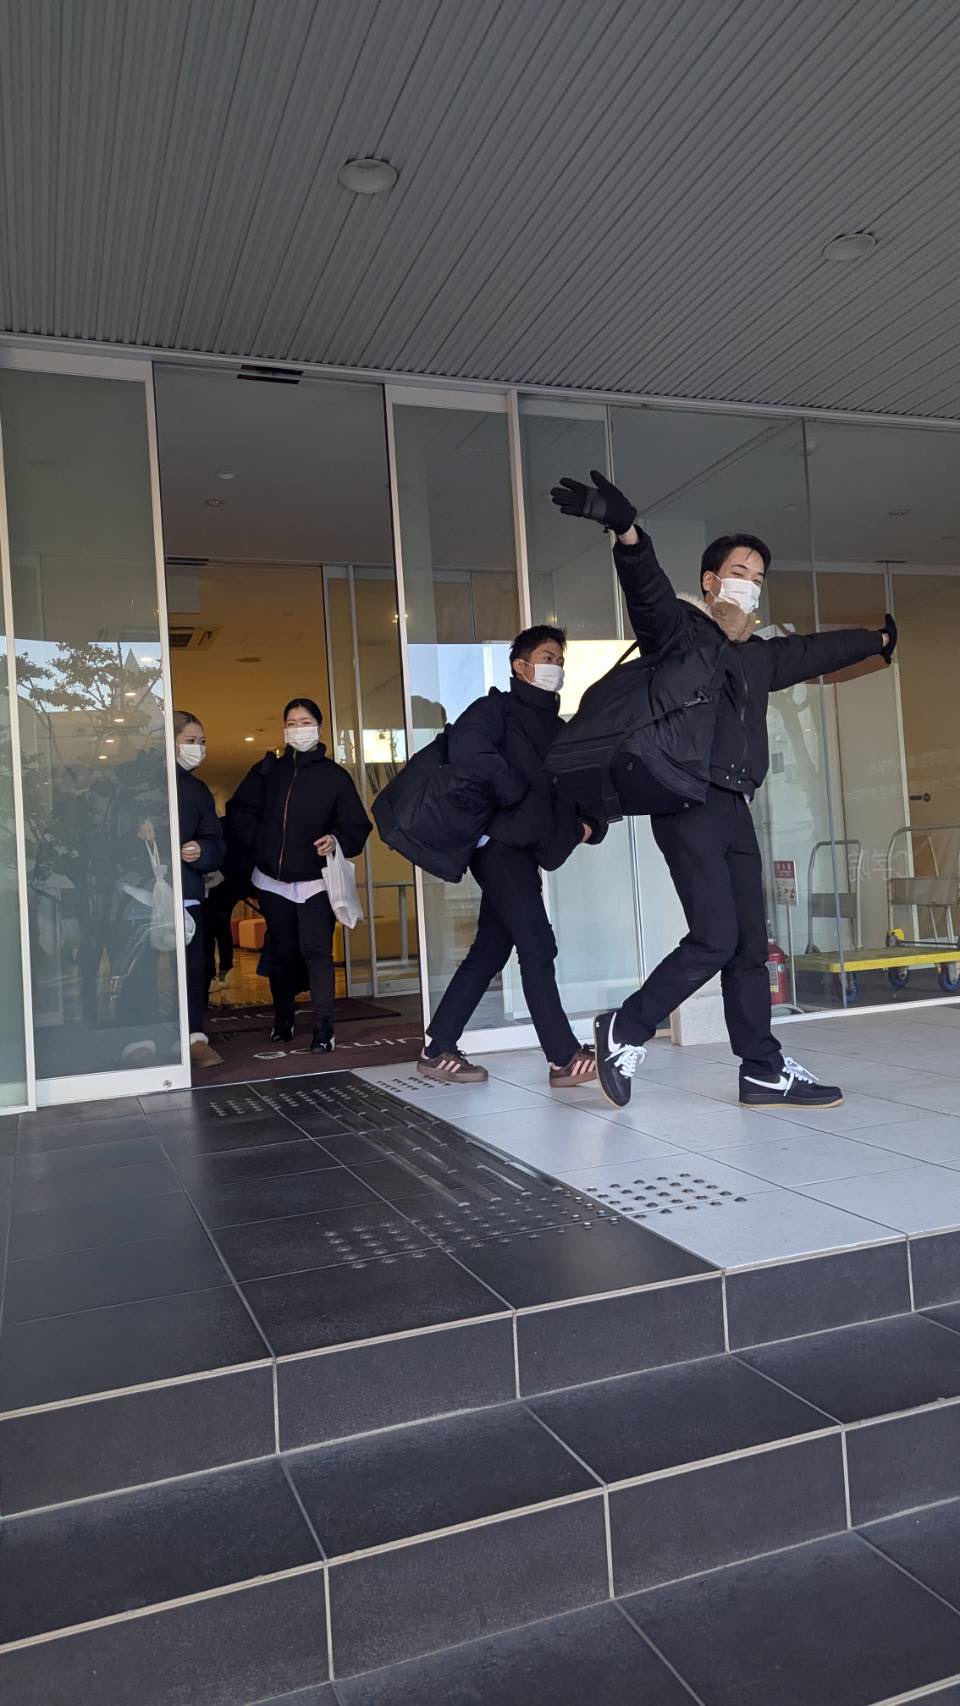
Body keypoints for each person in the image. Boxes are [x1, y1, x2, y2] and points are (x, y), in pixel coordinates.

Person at [551, 470, 897, 1111]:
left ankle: (762, 1070)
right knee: (714, 938)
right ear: (710, 581)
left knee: (747, 949)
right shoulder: (679, 633)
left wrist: (877, 642)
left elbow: (814, 652)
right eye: (740, 570)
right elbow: (647, 590)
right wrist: (627, 530)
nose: (749, 582)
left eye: (759, 576)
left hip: (735, 806)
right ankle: (626, 1026)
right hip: (687, 801)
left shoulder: (757, 656)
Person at [418, 626, 604, 1089]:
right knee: (537, 945)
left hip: (525, 852)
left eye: (559, 659)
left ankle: (437, 1046)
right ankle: (563, 1057)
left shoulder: (558, 728)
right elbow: (468, 751)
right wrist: (514, 793)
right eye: (546, 657)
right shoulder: (494, 710)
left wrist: (589, 825)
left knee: (490, 950)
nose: (555, 667)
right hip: (498, 847)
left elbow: (578, 787)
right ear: (521, 666)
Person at [225, 697, 371, 1052]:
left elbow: (356, 825)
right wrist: (260, 845)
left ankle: (324, 1028)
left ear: (318, 727)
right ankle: (283, 1019)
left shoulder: (335, 778)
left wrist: (335, 839)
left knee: (317, 951)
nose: (298, 729)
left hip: (316, 881)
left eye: (305, 722)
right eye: (291, 723)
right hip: (272, 881)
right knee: (282, 951)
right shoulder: (267, 772)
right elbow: (238, 812)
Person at [173, 712, 225, 1071]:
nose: (198, 748)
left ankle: (194, 1037)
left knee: (194, 968)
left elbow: (215, 842)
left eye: (201, 742)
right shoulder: (137, 786)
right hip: (141, 896)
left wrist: (201, 851)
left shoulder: (197, 790)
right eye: (190, 741)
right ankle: (143, 1040)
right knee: (148, 969)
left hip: (188, 893)